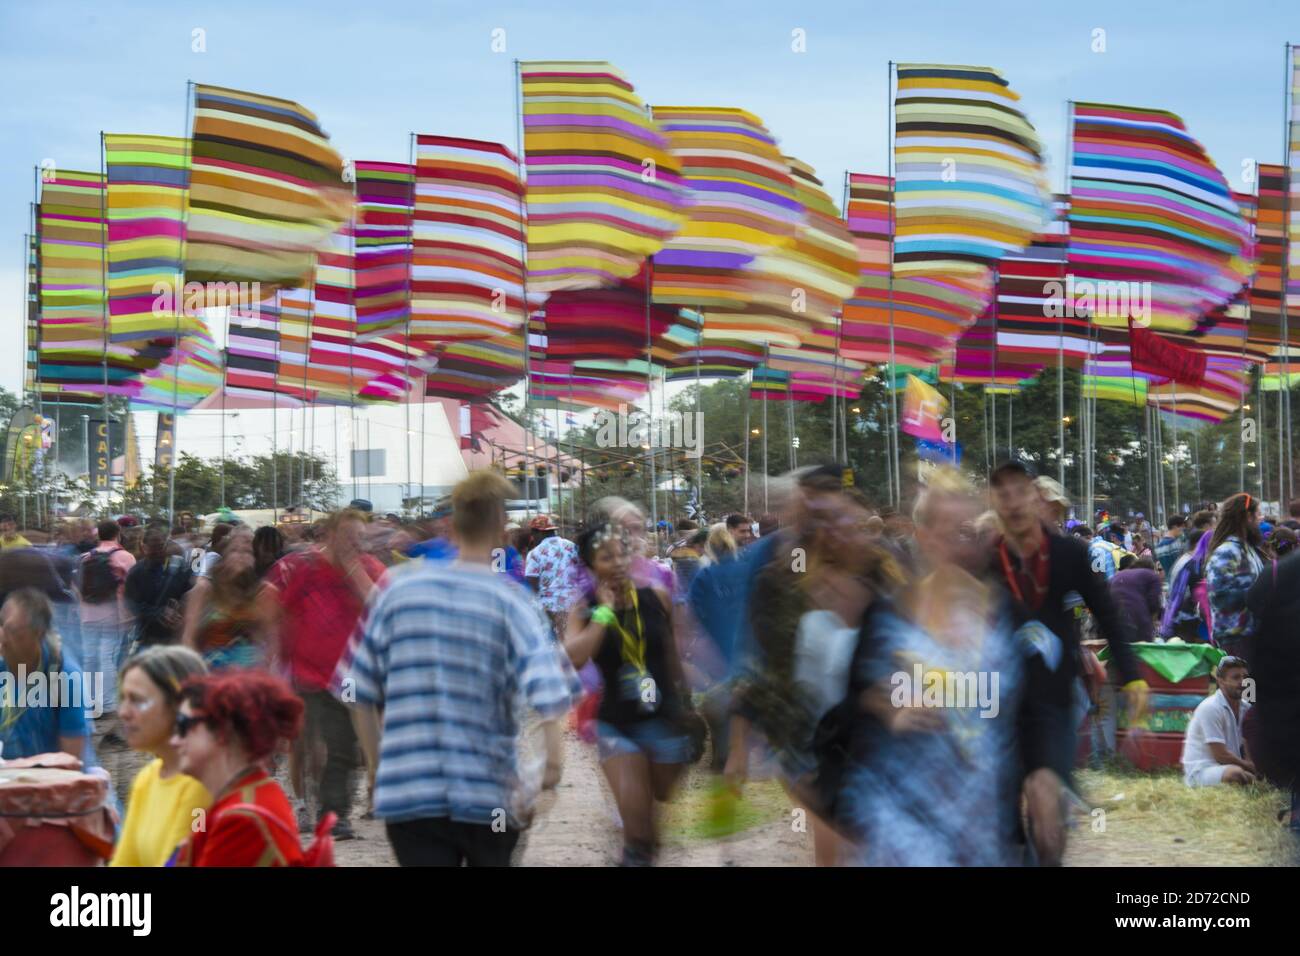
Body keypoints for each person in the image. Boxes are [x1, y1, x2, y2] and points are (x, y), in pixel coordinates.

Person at [339, 471, 573, 867]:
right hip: (491, 799)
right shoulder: (513, 603)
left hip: (410, 799)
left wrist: (379, 770)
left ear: (451, 523)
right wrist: (544, 777)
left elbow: (356, 692)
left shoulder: (396, 590)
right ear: (501, 526)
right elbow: (551, 702)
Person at [986, 462, 1145, 866]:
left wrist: (1133, 678)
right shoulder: (985, 558)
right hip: (992, 703)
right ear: (994, 503)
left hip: (1052, 698)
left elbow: (1108, 615)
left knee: (1045, 802)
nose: (1013, 502)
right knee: (1004, 823)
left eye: (1019, 491)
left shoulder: (1070, 553)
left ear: (1033, 496)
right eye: (1001, 494)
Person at [565, 522, 690, 866]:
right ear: (591, 565)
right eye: (607, 557)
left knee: (659, 804)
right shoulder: (585, 608)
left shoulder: (657, 595)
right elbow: (574, 658)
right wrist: (603, 613)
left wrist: (689, 701)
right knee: (636, 827)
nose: (618, 562)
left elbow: (672, 652)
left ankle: (645, 852)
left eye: (623, 553)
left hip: (663, 717)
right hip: (616, 722)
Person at [260, 508, 384, 840]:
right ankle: (307, 803)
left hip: (350, 676)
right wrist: (273, 657)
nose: (354, 543)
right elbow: (268, 607)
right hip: (304, 673)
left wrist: (354, 569)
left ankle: (334, 816)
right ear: (329, 534)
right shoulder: (300, 566)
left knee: (341, 748)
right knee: (307, 746)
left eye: (360, 537)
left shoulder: (368, 567)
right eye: (348, 535)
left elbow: (381, 606)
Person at [169, 670, 308, 866]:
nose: (174, 740)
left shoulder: (241, 818)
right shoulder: (242, 797)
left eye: (183, 726)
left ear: (223, 732)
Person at [111, 646, 212, 866]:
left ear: (180, 706)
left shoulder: (200, 786)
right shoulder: (146, 779)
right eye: (123, 699)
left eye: (137, 701)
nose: (123, 712)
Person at [0, 588, 92, 762]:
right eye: (1, 625)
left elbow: (70, 761)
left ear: (38, 633)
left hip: (47, 783)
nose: (3, 637)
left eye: (13, 631)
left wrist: (17, 768)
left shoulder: (65, 677)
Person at [76, 519, 137, 720]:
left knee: (89, 658)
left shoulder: (85, 557)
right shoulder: (125, 557)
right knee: (107, 657)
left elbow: (74, 584)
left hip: (87, 614)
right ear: (117, 533)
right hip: (114, 615)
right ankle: (108, 703)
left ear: (98, 535)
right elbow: (133, 586)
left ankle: (89, 702)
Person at [185, 531, 264, 671]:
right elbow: (188, 638)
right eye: (234, 550)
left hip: (249, 676)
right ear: (225, 554)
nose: (241, 556)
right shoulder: (205, 589)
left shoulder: (258, 591)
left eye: (248, 551)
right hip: (211, 674)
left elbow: (263, 638)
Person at [1204, 493, 1267, 658]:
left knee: (1255, 684)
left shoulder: (1248, 549)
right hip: (1235, 637)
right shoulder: (1227, 552)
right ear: (1247, 516)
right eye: (1258, 514)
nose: (1261, 519)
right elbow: (1218, 596)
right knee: (1245, 685)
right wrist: (1260, 593)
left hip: (1252, 634)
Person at [1181, 656, 1255, 787]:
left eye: (1245, 676)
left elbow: (1248, 742)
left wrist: (1254, 766)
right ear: (1221, 681)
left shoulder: (1247, 708)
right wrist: (1249, 767)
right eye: (1236, 677)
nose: (1242, 681)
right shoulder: (1211, 707)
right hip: (1201, 771)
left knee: (1255, 775)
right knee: (1236, 774)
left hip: (1227, 767)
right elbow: (1221, 755)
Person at [124, 527, 193, 648]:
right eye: (153, 547)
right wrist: (159, 612)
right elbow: (132, 605)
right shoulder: (136, 573)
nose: (158, 551)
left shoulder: (179, 566)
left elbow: (189, 592)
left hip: (176, 635)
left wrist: (180, 607)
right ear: (144, 547)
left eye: (161, 546)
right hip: (149, 637)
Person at [523, 514, 580, 638]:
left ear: (536, 532)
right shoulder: (572, 547)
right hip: (573, 605)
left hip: (548, 608)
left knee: (553, 645)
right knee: (570, 641)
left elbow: (532, 584)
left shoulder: (535, 553)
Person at [1109, 554, 1163, 644]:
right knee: (1143, 649)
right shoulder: (1152, 576)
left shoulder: (1117, 575)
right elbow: (1153, 604)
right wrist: (1152, 625)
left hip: (1111, 617)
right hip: (1134, 617)